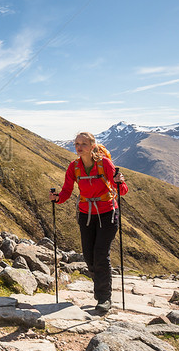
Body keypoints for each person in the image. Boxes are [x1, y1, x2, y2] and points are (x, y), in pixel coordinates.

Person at [49, 131, 127, 313]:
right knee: (89, 257)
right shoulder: (74, 167)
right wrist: (57, 198)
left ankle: (104, 298)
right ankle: (100, 283)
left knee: (101, 254)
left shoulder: (104, 163)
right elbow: (67, 191)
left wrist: (119, 182)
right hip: (86, 214)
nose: (79, 147)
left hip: (108, 213)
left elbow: (122, 191)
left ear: (92, 146)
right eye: (77, 143)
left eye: (84, 144)